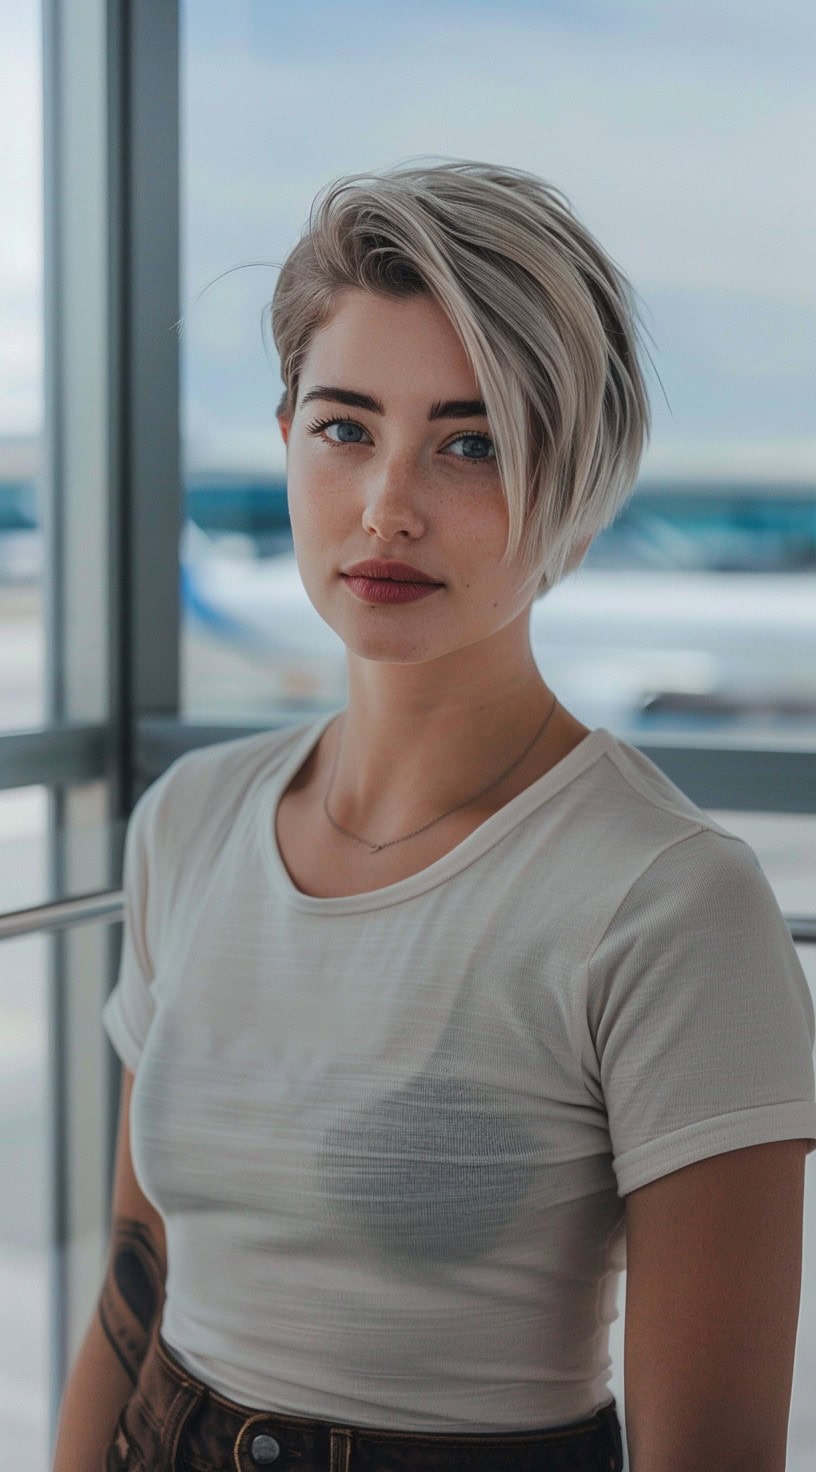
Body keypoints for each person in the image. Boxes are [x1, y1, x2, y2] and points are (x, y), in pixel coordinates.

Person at [53, 159, 816, 1472]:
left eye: (471, 444)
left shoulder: (670, 902)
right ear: (286, 430)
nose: (387, 508)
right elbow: (141, 1272)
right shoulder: (190, 821)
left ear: (572, 476)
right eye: (345, 427)